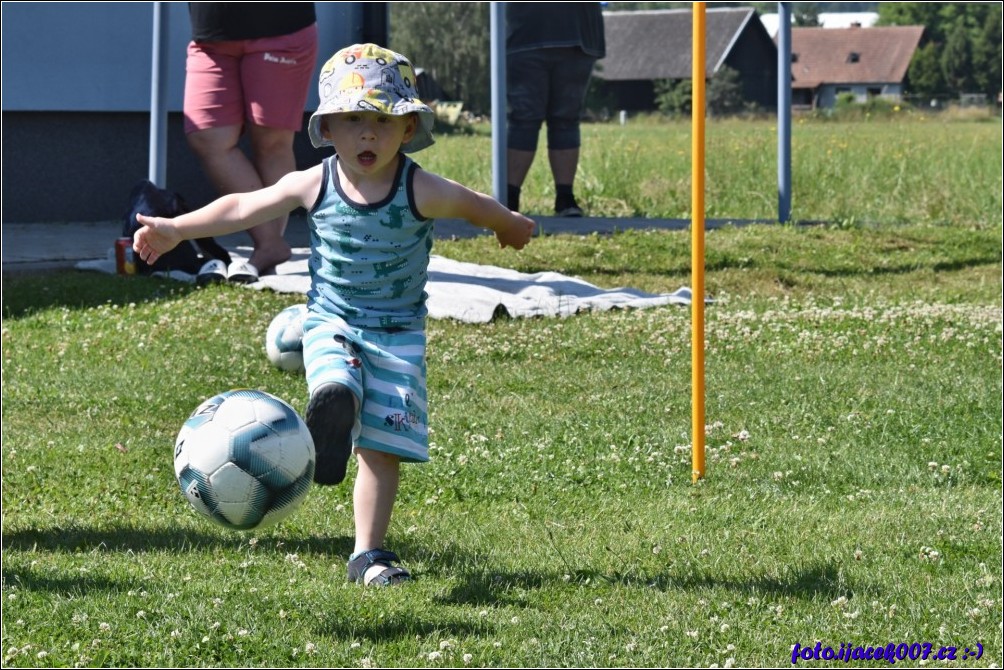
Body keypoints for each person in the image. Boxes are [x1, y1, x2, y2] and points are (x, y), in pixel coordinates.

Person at [134, 44, 535, 586]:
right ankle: (333, 406)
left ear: (408, 127)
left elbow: (474, 204)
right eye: (350, 121)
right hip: (331, 318)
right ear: (327, 129)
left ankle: (367, 554)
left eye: (380, 121)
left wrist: (509, 223)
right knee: (335, 376)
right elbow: (243, 206)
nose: (365, 135)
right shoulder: (314, 182)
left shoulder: (419, 188)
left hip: (398, 335)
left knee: (381, 447)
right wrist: (176, 228)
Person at [183, 3, 318, 283]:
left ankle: (268, 247)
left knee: (271, 141)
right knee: (208, 138)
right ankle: (270, 244)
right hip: (210, 35)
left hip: (281, 27)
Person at [506, 2, 606, 218]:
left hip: (577, 35)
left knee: (566, 119)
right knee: (525, 119)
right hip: (526, 35)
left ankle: (565, 198)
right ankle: (509, 199)